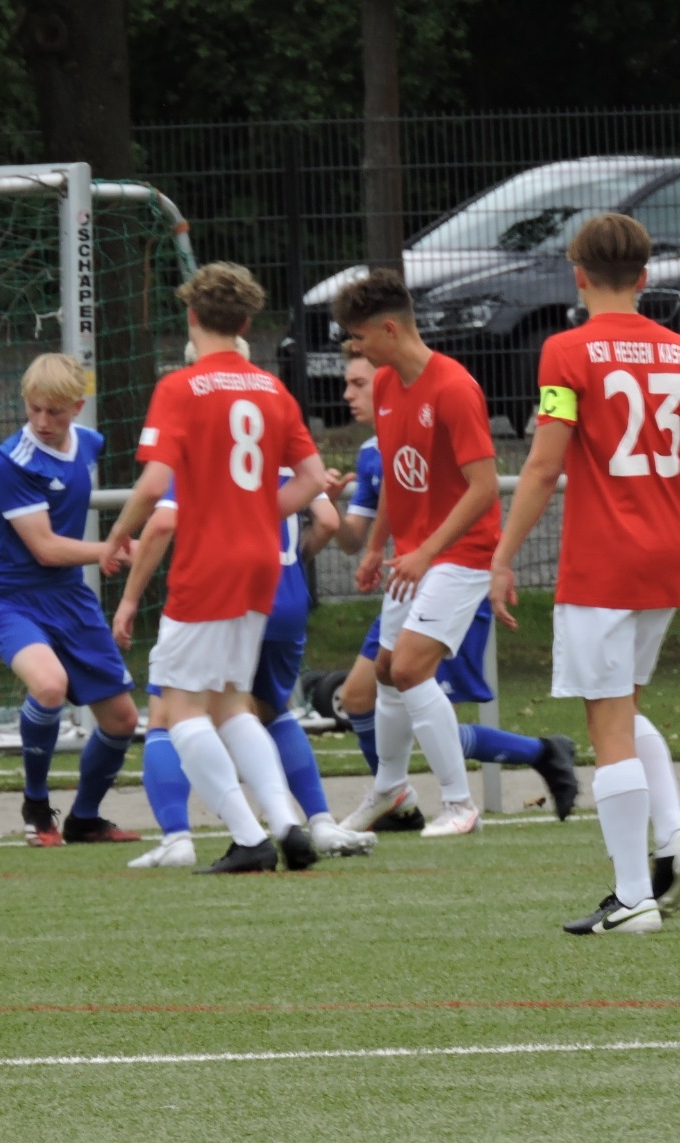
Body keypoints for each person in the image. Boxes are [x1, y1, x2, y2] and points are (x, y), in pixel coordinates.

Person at [490, 213, 680, 935]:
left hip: (602, 558)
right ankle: (671, 836)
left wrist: (502, 555)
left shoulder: (566, 350)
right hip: (665, 553)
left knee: (607, 726)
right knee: (622, 708)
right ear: (645, 276)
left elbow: (544, 465)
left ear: (579, 275)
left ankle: (632, 899)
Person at [99, 262, 328, 874]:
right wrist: (255, 514)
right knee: (229, 703)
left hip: (209, 562)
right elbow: (312, 479)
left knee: (178, 710)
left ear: (192, 316)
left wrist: (117, 536)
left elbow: (154, 485)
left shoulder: (181, 387)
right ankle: (287, 824)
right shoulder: (272, 389)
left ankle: (249, 837)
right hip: (261, 562)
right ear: (247, 323)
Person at [112, 343, 378, 868]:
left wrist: (125, 576)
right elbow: (325, 513)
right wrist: (271, 533)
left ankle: (192, 836)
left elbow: (161, 515)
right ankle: (305, 823)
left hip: (214, 576)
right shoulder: (272, 402)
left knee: (171, 711)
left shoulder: (195, 410)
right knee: (252, 708)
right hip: (277, 585)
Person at [328, 346, 580, 828]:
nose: (349, 394)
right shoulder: (372, 451)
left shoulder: (445, 395)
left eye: (358, 382)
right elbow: (365, 521)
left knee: (410, 681)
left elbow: (481, 486)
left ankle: (468, 793)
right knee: (372, 685)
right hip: (413, 568)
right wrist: (367, 541)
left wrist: (437, 554)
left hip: (452, 568)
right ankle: (393, 793)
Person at [330, 270, 503, 839]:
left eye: (358, 337)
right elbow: (397, 478)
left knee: (407, 668)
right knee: (384, 670)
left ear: (388, 329)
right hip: (415, 553)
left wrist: (426, 550)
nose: (354, 348)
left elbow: (484, 487)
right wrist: (377, 545)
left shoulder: (453, 388)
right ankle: (391, 789)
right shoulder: (385, 385)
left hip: (462, 552)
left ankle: (459, 804)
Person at [0, 352, 141, 848]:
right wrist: (111, 550)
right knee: (50, 686)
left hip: (70, 598)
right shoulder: (12, 462)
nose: (42, 421)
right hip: (12, 599)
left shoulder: (88, 442)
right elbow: (46, 549)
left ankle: (85, 818)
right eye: (34, 410)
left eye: (54, 411)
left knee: (122, 719)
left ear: (77, 407)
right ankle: (36, 805)